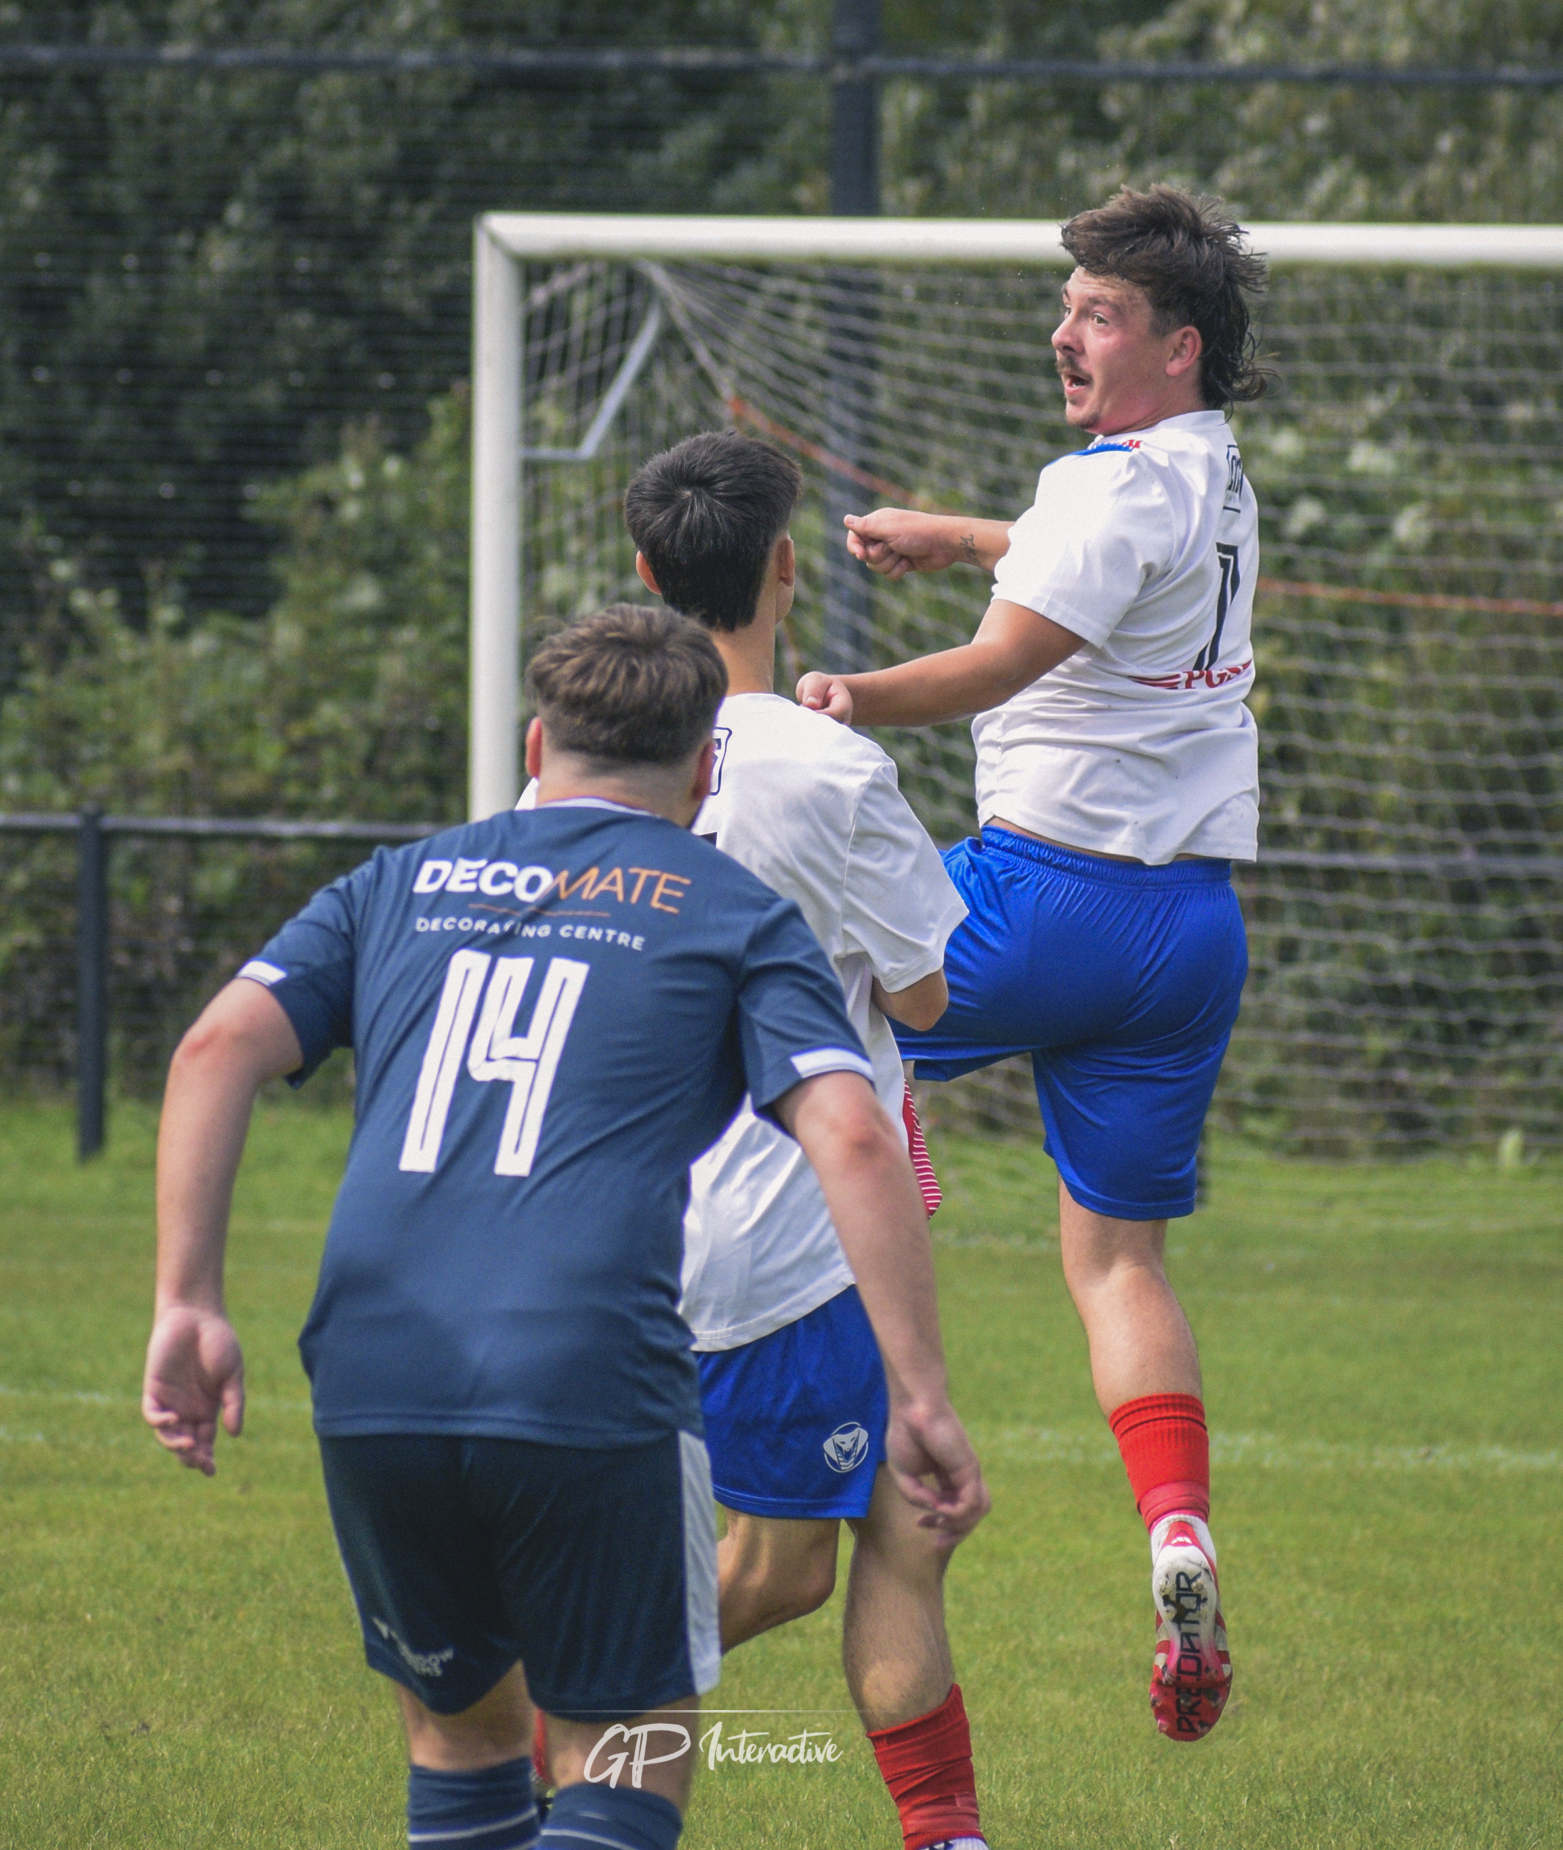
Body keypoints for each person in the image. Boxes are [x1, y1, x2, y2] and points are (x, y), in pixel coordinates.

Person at [142, 604, 988, 1850]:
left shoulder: (395, 879)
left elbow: (214, 1047)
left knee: (466, 1751)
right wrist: (916, 1391)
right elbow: (854, 1136)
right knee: (624, 1764)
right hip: (585, 1366)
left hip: (371, 1364)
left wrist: (187, 1299)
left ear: (535, 746)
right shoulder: (728, 907)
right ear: (703, 772)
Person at [797, 183, 1267, 1745]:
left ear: (1174, 346)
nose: (1061, 333)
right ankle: (1177, 1534)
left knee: (795, 1021)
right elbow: (1095, 560)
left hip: (1043, 900)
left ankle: (878, 1153)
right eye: (1065, 306)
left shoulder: (1102, 485)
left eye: (1097, 315)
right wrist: (965, 534)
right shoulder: (1212, 475)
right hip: (1185, 934)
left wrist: (845, 694)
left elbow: (1002, 660)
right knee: (1116, 1263)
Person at [620, 432, 988, 1850]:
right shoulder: (829, 768)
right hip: (788, 1231)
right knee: (794, 1563)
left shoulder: (584, 763)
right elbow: (924, 995)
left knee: (884, 1526)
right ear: (784, 565)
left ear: (645, 573)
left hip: (624, 1217)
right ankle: (540, 1720)